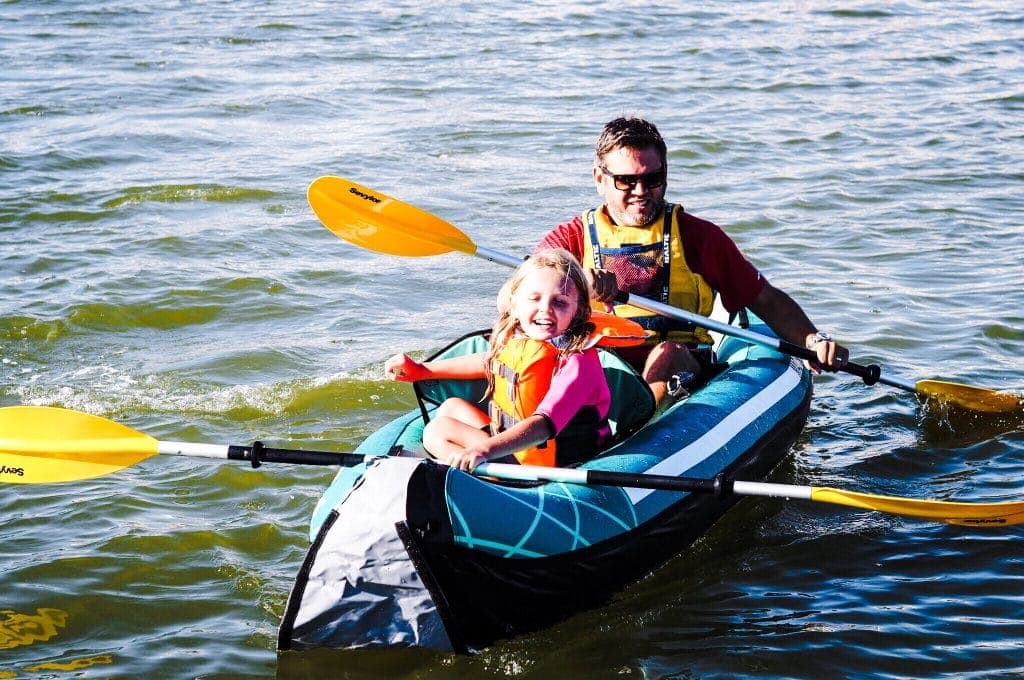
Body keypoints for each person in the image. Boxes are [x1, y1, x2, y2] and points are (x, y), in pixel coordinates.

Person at [537, 116, 850, 405]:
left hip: (680, 359)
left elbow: (765, 299)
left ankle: (640, 424)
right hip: (602, 363)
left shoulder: (698, 236)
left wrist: (814, 339)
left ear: (666, 175)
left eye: (653, 178)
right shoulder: (572, 238)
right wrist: (576, 282)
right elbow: (522, 291)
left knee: (667, 354)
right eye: (626, 181)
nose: (641, 191)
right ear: (599, 179)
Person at [384, 248, 612, 472]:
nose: (545, 310)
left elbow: (543, 426)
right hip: (519, 448)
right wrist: (423, 369)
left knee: (437, 430)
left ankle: (471, 475)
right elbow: (491, 363)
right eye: (534, 299)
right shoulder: (523, 337)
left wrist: (483, 450)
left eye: (559, 302)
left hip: (550, 463)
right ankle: (469, 467)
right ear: (515, 303)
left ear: (579, 310)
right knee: (451, 407)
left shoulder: (580, 362)